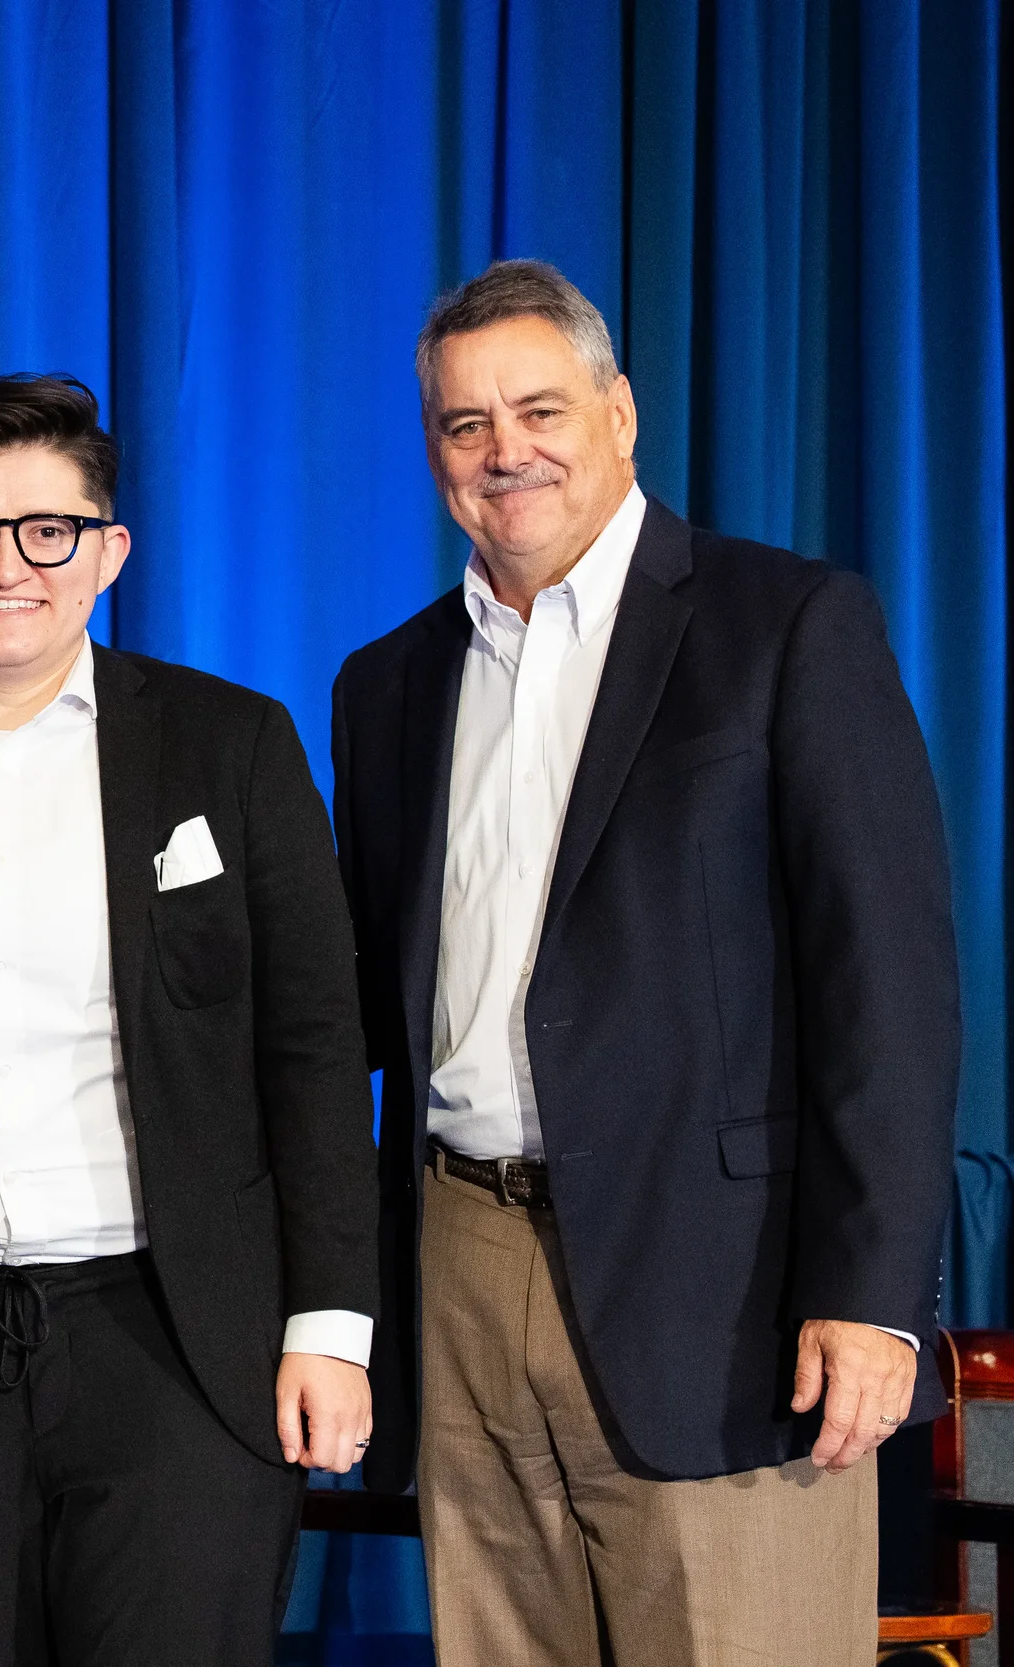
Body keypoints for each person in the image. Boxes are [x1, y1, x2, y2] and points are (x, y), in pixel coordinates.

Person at [331, 259, 959, 1666]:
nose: (507, 451)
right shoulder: (387, 684)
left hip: (725, 1290)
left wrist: (870, 1294)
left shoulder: (788, 626)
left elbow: (891, 987)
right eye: (464, 423)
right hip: (463, 1258)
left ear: (620, 413)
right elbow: (368, 1002)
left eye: (540, 408)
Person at [0, 374, 378, 1666]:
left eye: (49, 528)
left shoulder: (230, 741)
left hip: (177, 1330)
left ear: (109, 550)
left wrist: (329, 1326)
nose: (10, 565)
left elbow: (316, 1050)